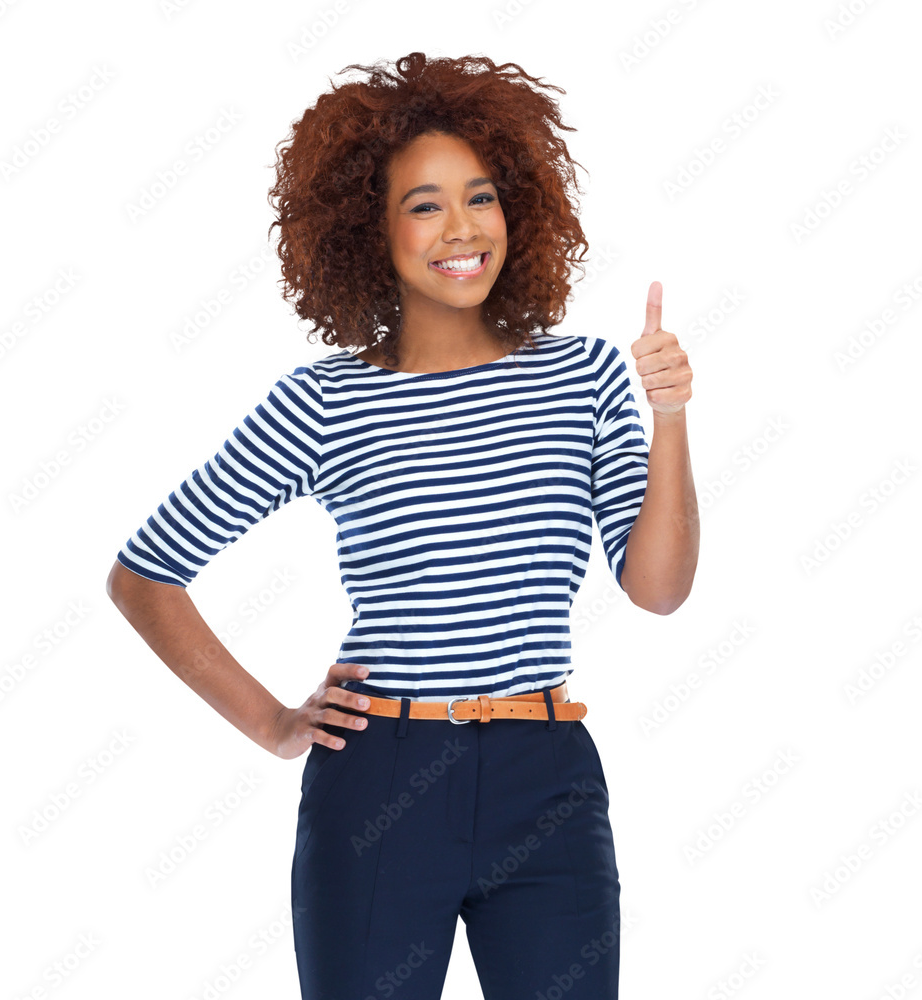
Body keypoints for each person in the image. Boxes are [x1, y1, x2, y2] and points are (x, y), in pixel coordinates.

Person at [106, 51, 697, 1000]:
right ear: (365, 229)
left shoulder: (582, 375)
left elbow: (658, 588)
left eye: (482, 196)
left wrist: (668, 414)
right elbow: (145, 574)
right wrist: (271, 722)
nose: (462, 228)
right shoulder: (324, 403)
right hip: (379, 779)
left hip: (546, 776)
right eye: (423, 205)